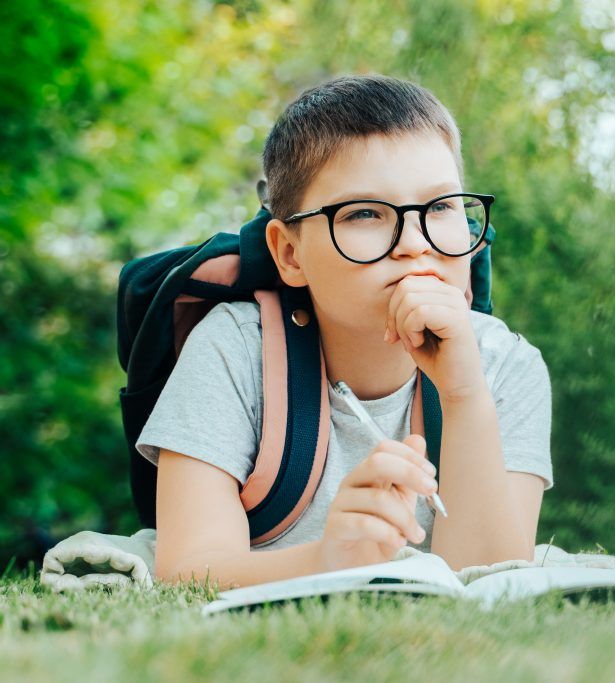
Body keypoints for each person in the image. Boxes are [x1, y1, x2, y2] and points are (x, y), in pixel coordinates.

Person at [136, 74, 554, 588]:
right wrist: (329, 560)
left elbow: (493, 580)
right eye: (363, 213)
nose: (415, 242)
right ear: (289, 253)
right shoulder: (235, 349)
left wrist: (465, 393)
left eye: (441, 206)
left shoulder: (506, 364)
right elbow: (185, 571)